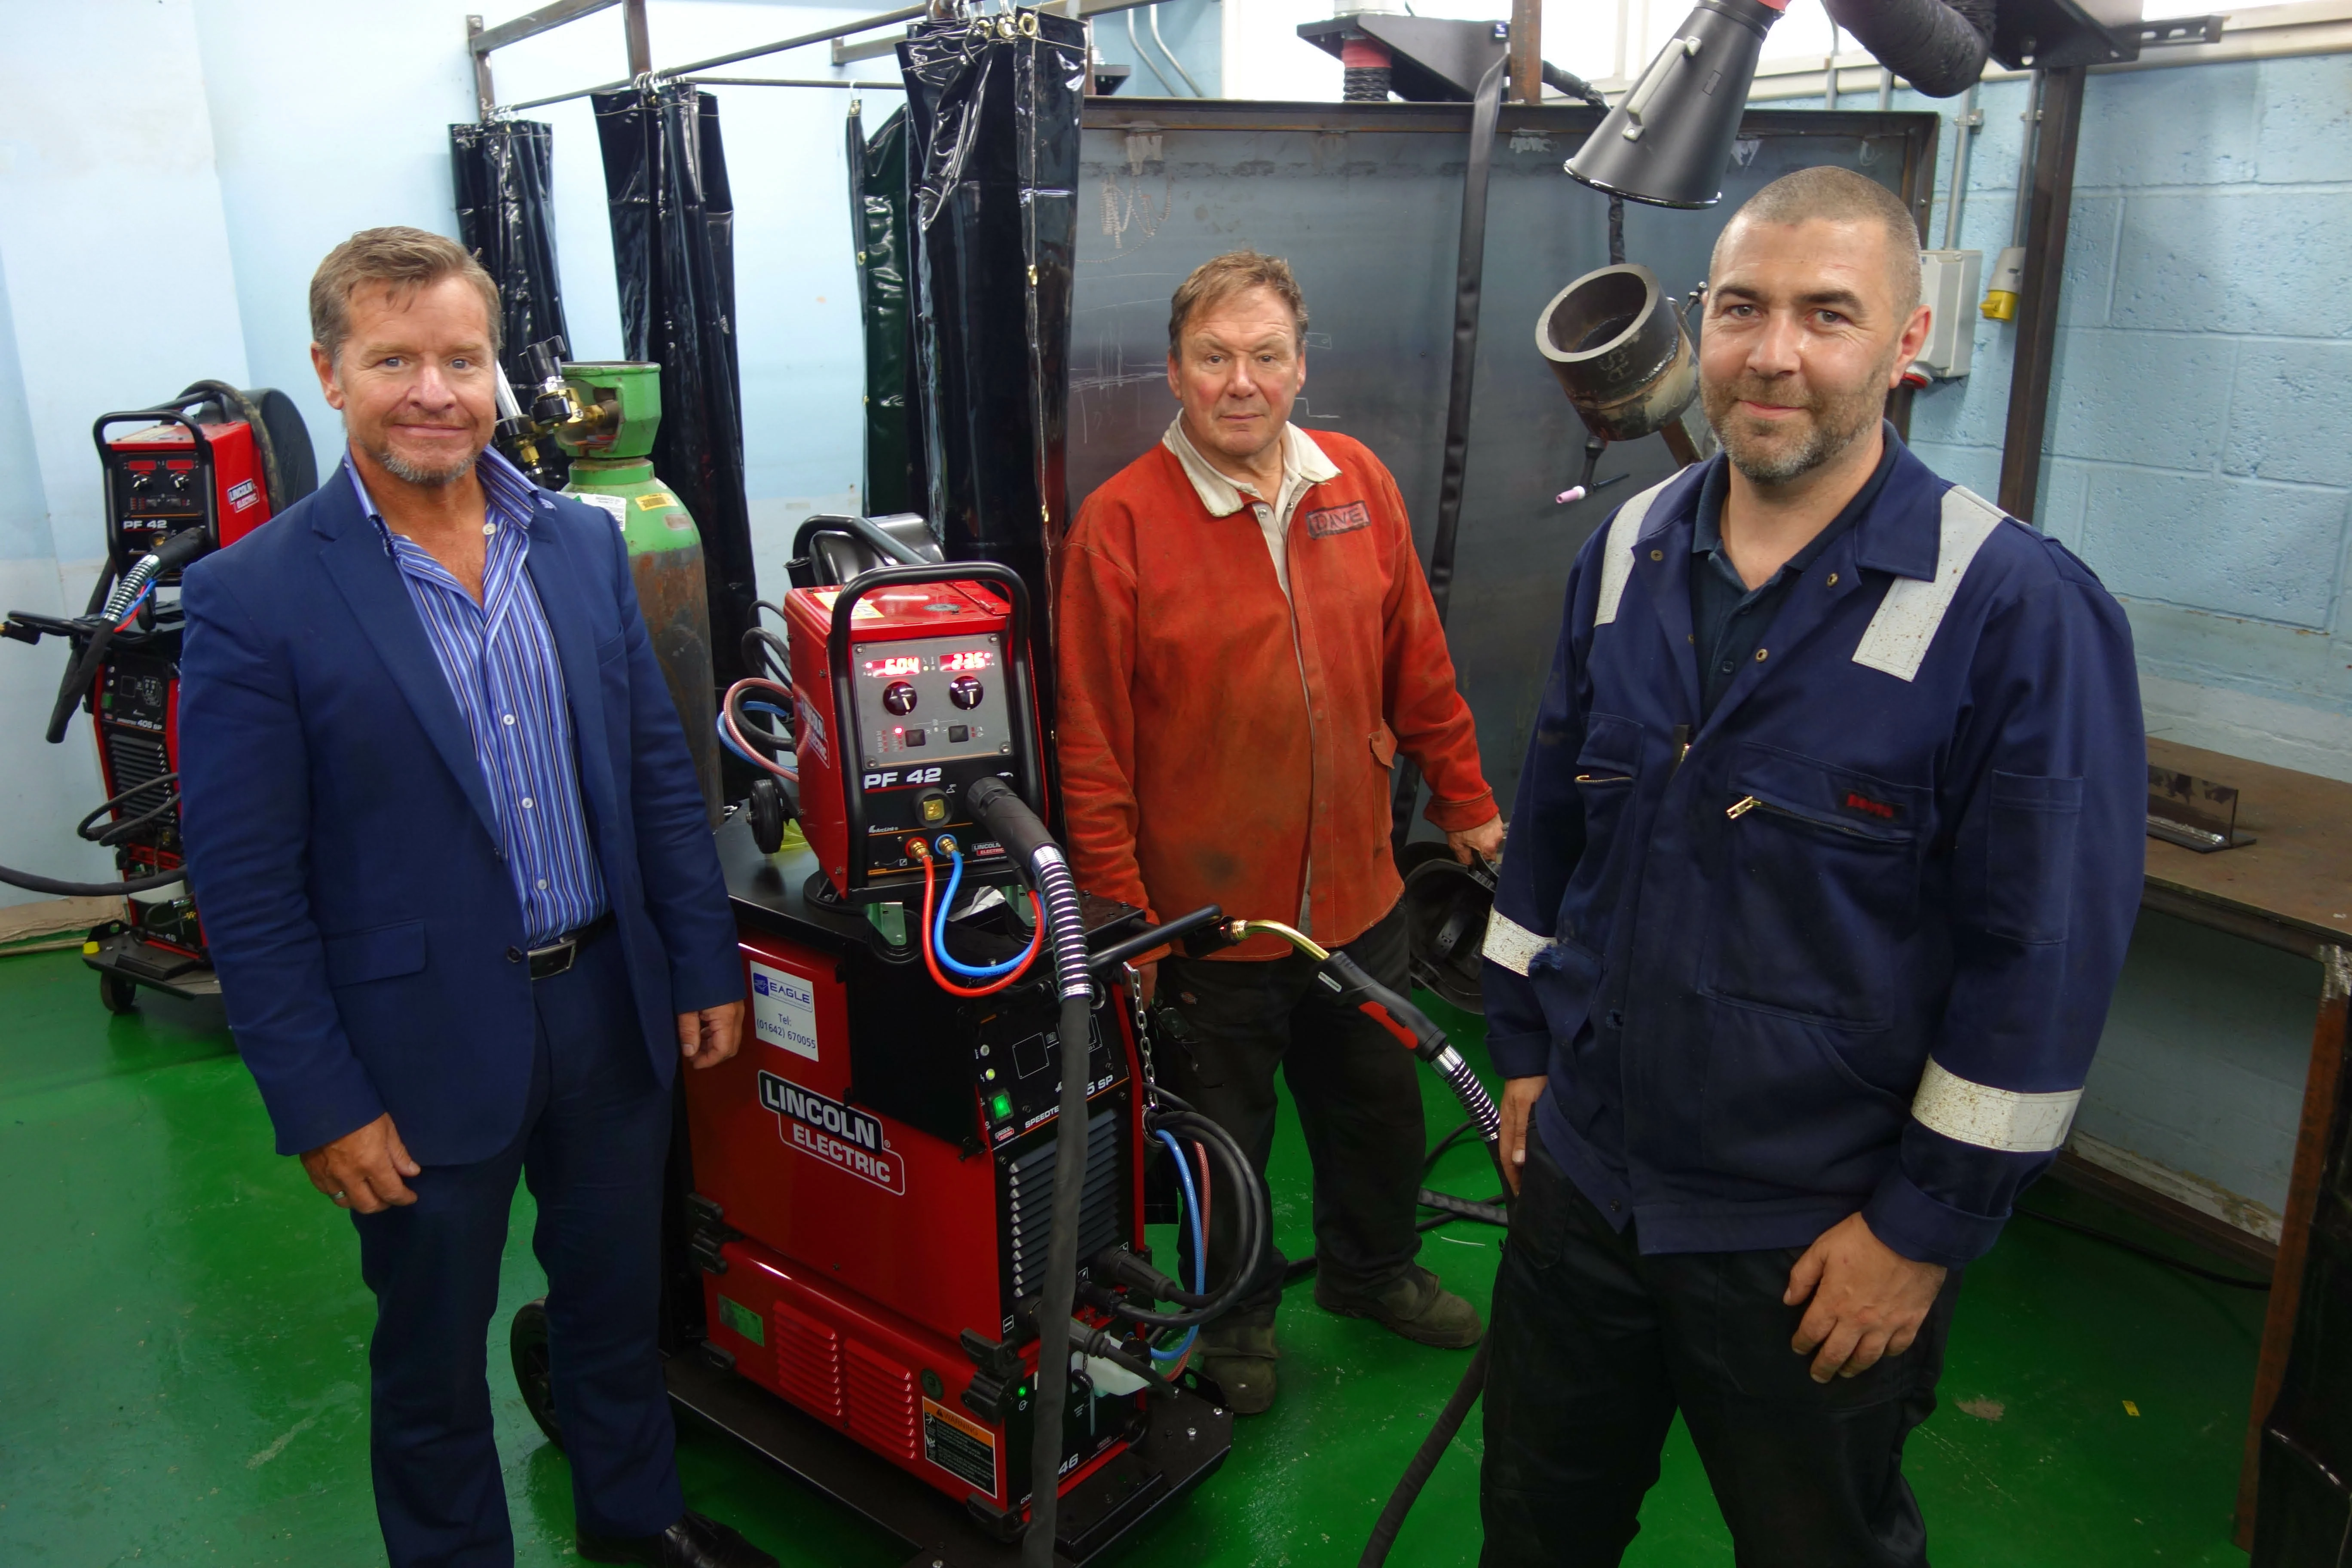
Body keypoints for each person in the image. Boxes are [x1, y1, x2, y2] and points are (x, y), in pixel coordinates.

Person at [1475, 167, 2144, 1565]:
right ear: (1699, 327)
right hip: (1588, 1190)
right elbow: (1549, 832)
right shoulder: (1628, 555)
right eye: (1742, 308)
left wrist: (1920, 1231)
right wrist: (1528, 1055)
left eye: (1828, 314)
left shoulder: (2017, 608)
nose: (1774, 352)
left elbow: (2045, 966)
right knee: (1540, 1524)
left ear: (1906, 344)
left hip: (1809, 1240)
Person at [178, 228, 770, 1568]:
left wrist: (701, 962)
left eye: (460, 357)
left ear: (496, 369)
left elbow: (651, 775)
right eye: (395, 360)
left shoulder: (573, 543)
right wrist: (321, 1098)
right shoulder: (254, 600)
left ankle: (638, 1522)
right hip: (415, 1047)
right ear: (331, 374)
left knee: (619, 1305)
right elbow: (248, 887)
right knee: (433, 1356)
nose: (433, 390)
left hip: (610, 1011)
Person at [1056, 250, 1506, 1415]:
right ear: (1175, 371)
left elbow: (1419, 665)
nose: (1241, 381)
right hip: (1209, 923)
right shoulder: (1122, 526)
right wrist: (1130, 932)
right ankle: (1236, 1324)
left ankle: (1374, 1273)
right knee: (1223, 1145)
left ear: (1303, 365)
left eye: (1265, 355)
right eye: (1215, 357)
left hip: (1360, 899)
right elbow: (1092, 747)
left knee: (1377, 1112)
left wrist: (1465, 800)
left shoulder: (1356, 481)